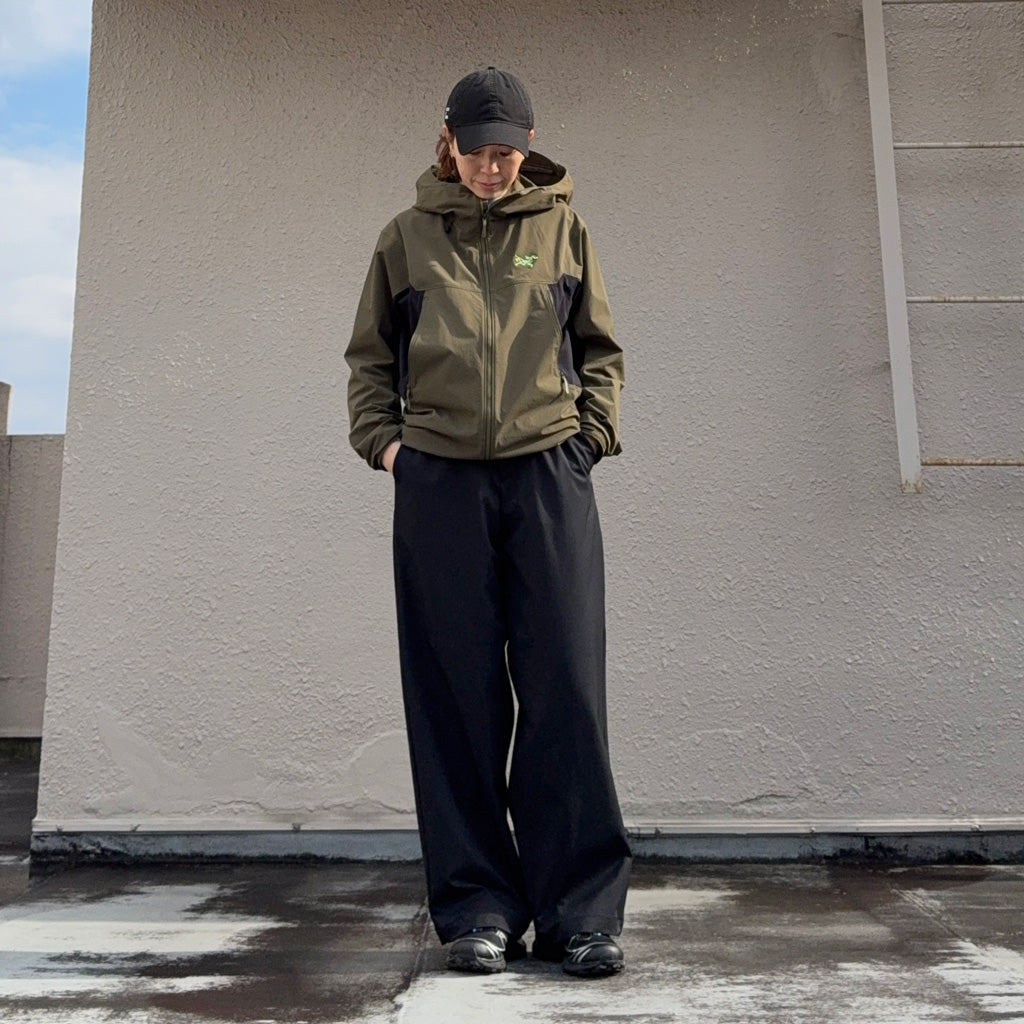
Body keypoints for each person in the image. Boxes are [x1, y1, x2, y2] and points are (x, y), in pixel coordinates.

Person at [345, 67, 631, 978]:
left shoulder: (563, 229)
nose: (492, 168)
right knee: (455, 697)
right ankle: (477, 909)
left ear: (527, 146)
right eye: (477, 152)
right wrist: (390, 449)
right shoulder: (404, 238)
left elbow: (600, 349)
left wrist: (590, 439)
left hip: (548, 472)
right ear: (451, 144)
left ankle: (580, 915)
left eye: (506, 152)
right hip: (440, 484)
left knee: (566, 690)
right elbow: (368, 361)